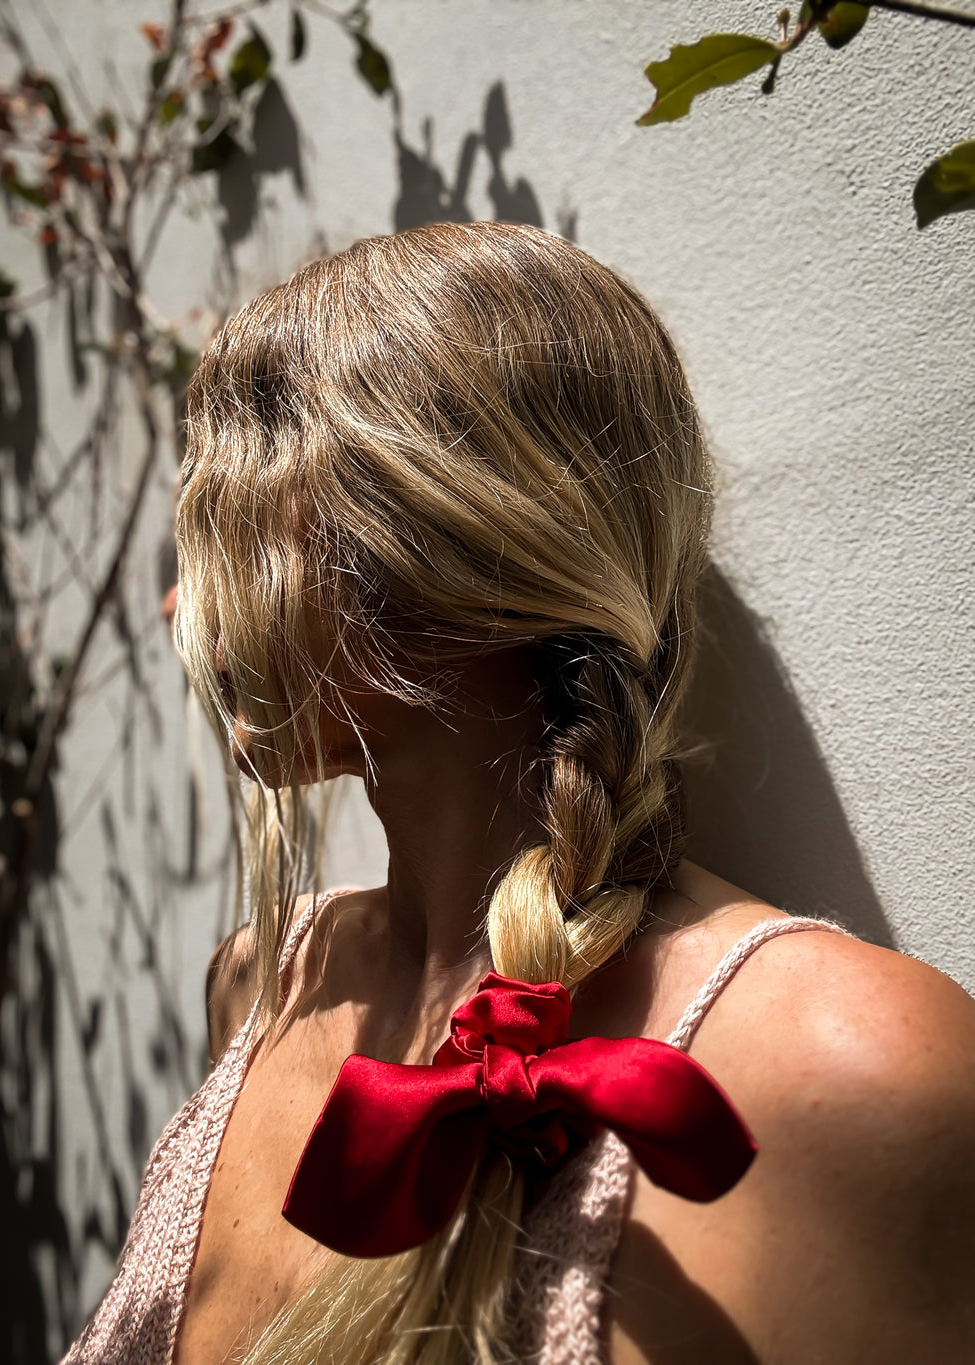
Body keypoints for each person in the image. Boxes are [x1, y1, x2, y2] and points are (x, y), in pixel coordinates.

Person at [64, 221, 975, 1365]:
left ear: (456, 547)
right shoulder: (263, 986)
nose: (176, 609)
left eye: (234, 520)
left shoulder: (852, 1076)